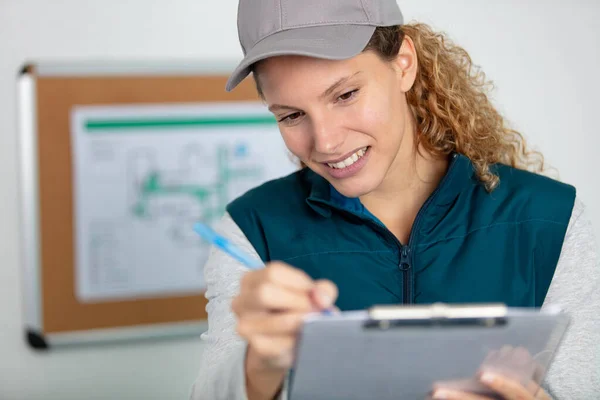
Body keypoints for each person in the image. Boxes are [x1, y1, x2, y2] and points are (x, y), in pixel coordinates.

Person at [190, 1, 600, 399]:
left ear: (403, 63)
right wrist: (260, 364)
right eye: (291, 115)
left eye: (345, 94)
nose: (327, 141)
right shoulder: (251, 230)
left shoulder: (552, 221)